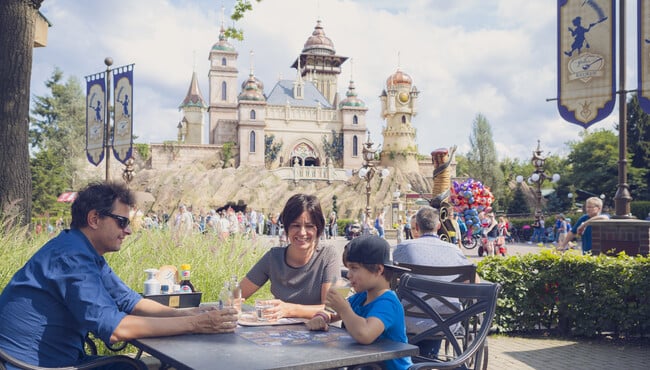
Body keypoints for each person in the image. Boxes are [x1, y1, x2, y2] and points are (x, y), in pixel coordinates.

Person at [0, 182, 237, 369]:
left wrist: (189, 313)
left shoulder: (81, 250)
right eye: (122, 221)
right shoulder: (72, 257)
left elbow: (130, 301)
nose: (128, 230)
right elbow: (116, 329)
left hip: (43, 359)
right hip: (31, 365)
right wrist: (195, 324)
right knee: (132, 367)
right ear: (94, 219)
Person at [305, 235, 413, 370]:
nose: (348, 275)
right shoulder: (361, 297)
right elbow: (333, 313)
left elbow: (365, 334)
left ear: (379, 270)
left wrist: (344, 308)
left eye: (354, 268)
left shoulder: (387, 302)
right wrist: (322, 317)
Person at [392, 206, 478, 358]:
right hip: (449, 322)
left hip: (408, 321)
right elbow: (474, 283)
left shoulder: (404, 248)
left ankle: (415, 359)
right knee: (436, 312)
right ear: (438, 226)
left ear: (417, 227)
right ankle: (429, 359)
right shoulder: (454, 250)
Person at [240, 194, 339, 319]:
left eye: (309, 226)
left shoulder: (328, 256)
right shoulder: (273, 258)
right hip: (281, 333)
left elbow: (332, 309)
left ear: (318, 229)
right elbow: (236, 296)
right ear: (286, 228)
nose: (302, 232)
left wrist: (289, 310)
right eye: (295, 225)